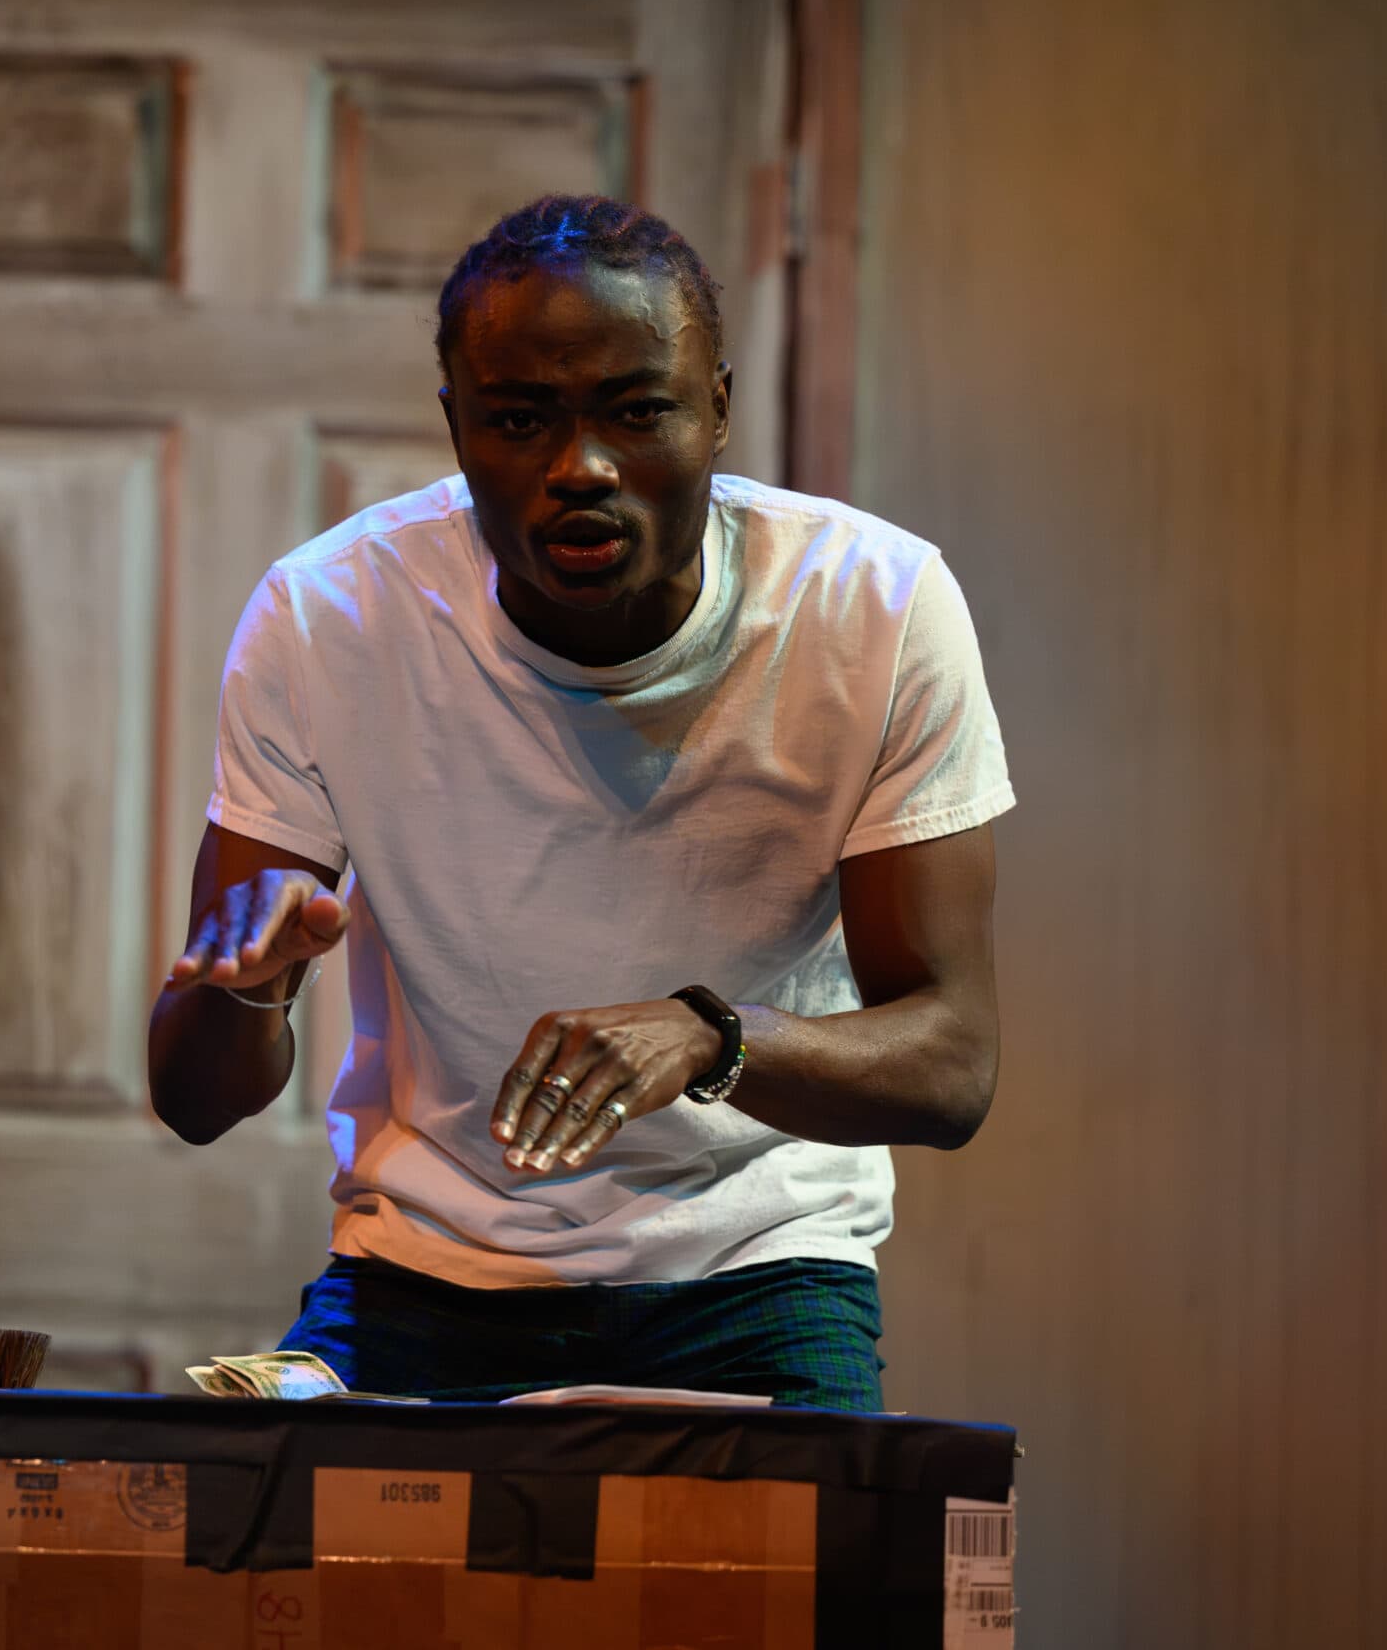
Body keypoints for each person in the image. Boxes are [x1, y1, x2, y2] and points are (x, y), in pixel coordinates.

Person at [145, 195, 1013, 1411]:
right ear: (456, 428)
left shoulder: (872, 605)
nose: (580, 468)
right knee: (270, 1515)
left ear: (717, 406)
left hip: (757, 1264)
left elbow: (952, 1066)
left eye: (637, 410)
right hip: (427, 1270)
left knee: (831, 1543)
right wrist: (252, 981)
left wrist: (710, 1035)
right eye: (518, 420)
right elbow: (194, 1102)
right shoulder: (329, 616)